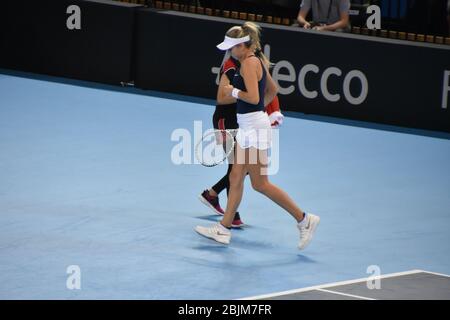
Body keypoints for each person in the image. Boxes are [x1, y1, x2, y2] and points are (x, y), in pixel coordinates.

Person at [195, 22, 320, 250]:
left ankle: (304, 219)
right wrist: (260, 112)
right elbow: (272, 91)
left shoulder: (249, 64)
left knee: (260, 184)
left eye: (233, 48)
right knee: (235, 177)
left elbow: (252, 97)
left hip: (253, 128)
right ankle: (223, 229)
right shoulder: (255, 61)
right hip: (250, 125)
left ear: (243, 45)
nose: (230, 52)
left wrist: (233, 91)